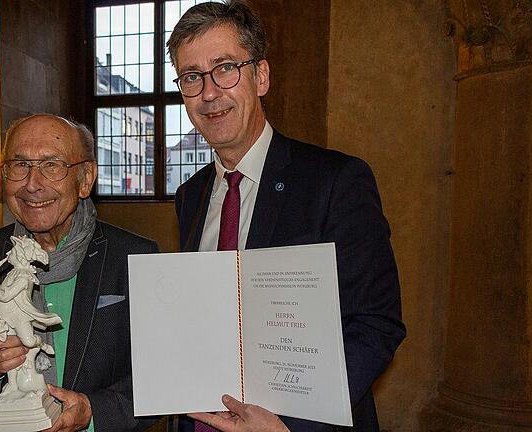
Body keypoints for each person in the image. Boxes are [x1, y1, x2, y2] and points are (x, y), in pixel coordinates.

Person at [167, 1, 406, 431]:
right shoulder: (190, 196)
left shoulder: (337, 182)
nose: (208, 92)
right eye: (191, 77)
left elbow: (376, 325)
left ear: (261, 76)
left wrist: (288, 425)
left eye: (225, 68)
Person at [0, 114, 158, 432]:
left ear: (85, 179)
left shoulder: (134, 257)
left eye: (52, 165)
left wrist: (92, 412)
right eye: (19, 165)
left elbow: (158, 379)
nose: (32, 184)